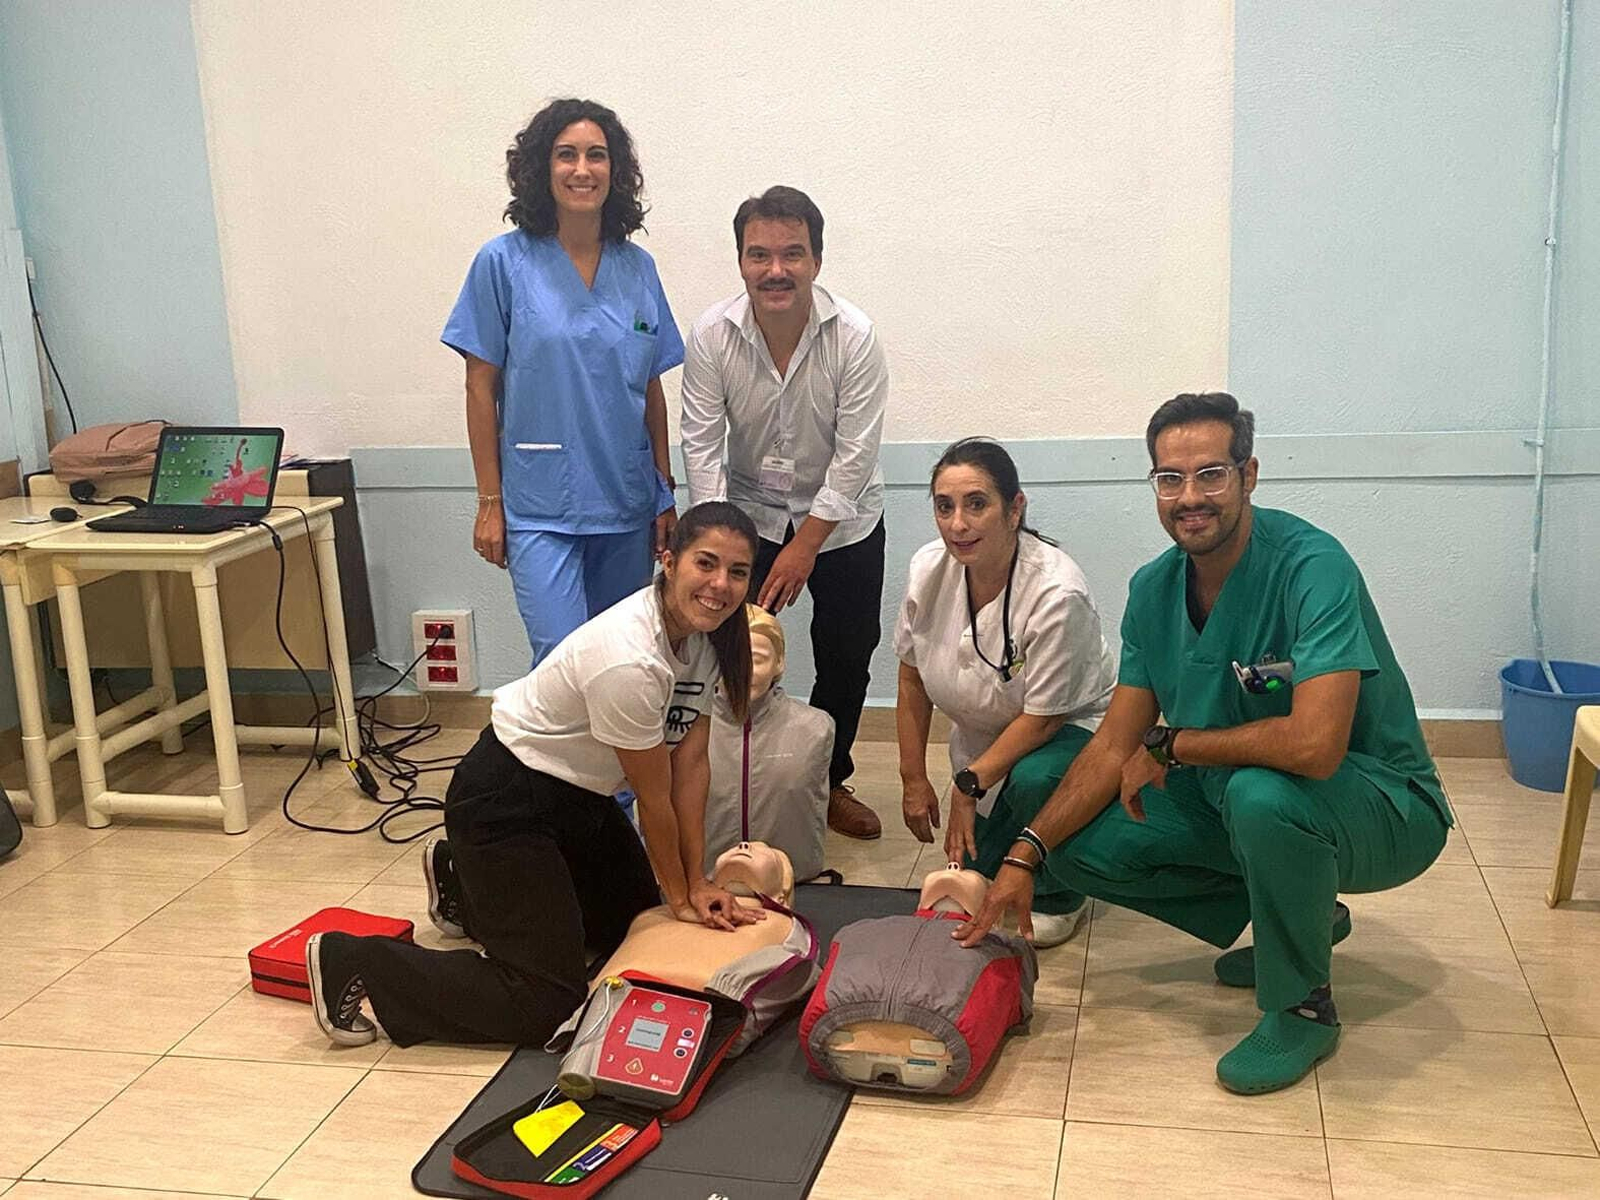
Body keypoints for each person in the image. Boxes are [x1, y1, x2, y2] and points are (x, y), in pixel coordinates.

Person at [956, 393, 1453, 1095]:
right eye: (1169, 479)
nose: (1190, 497)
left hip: (1383, 802)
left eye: (1210, 474)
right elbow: (1111, 748)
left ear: (1249, 474)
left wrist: (1176, 744)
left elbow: (1315, 747)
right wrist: (1024, 852)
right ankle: (1302, 915)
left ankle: (1303, 1006)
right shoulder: (1154, 590)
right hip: (1238, 799)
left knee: (1264, 794)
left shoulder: (1312, 567)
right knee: (1082, 845)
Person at [305, 502, 764, 1050]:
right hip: (506, 799)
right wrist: (681, 894)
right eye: (705, 564)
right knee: (547, 1001)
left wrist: (698, 882)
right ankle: (355, 960)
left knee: (630, 930)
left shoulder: (709, 639)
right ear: (668, 561)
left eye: (737, 572)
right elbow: (653, 795)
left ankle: (462, 879)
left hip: (579, 799)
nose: (720, 585)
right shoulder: (630, 660)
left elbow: (690, 767)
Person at [443, 98, 684, 667]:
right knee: (561, 657)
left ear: (615, 170)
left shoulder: (638, 268)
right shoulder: (501, 264)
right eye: (566, 155)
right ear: (541, 169)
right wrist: (489, 502)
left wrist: (664, 490)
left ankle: (616, 762)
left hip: (626, 500)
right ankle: (543, 760)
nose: (582, 169)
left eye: (596, 156)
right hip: (539, 502)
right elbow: (481, 389)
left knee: (623, 661)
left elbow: (649, 387)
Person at [680, 185, 888, 840]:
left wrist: (807, 545)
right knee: (731, 645)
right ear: (741, 261)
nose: (776, 270)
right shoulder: (712, 335)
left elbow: (856, 455)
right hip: (748, 514)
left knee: (847, 653)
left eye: (792, 254)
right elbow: (701, 443)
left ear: (816, 262)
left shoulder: (854, 337)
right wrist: (714, 541)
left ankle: (828, 781)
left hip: (845, 521)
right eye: (760, 254)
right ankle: (732, 774)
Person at [895, 439, 1115, 946]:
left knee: (1037, 780)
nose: (958, 523)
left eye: (977, 504)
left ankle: (1064, 896)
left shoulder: (1059, 593)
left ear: (1015, 509)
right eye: (944, 506)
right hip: (985, 741)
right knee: (979, 874)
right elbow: (910, 676)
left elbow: (1043, 718)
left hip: (1069, 734)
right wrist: (912, 778)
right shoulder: (928, 569)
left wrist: (968, 787)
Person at [704, 605, 832, 880]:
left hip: (795, 881)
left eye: (757, 659)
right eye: (732, 658)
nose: (743, 671)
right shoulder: (690, 729)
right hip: (706, 879)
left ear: (780, 662)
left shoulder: (815, 728)